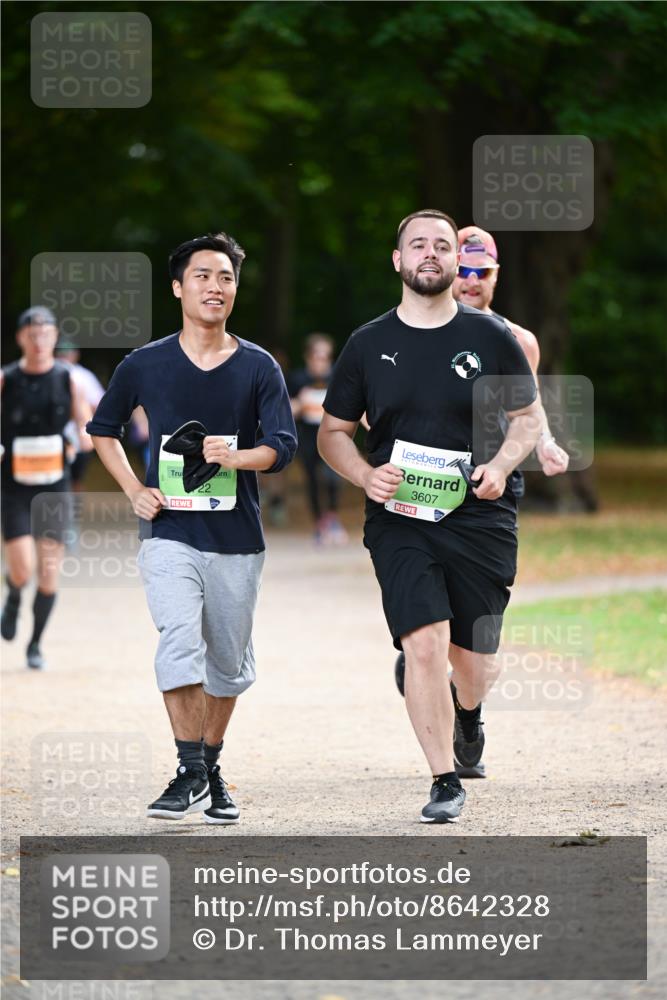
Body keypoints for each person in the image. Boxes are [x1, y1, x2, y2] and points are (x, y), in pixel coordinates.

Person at [318, 210, 541, 823]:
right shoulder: (367, 344)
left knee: (474, 661)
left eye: (442, 245)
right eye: (417, 244)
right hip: (400, 515)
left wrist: (499, 466)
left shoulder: (492, 337)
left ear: (455, 261)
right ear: (397, 259)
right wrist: (366, 475)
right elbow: (333, 432)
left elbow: (527, 419)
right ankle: (444, 779)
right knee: (424, 643)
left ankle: (467, 713)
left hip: (480, 514)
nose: (430, 253)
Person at [88, 232, 297, 825]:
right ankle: (189, 770)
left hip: (237, 538)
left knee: (226, 664)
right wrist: (134, 490)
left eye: (226, 277)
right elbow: (103, 429)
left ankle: (209, 766)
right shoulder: (145, 363)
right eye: (203, 276)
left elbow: (283, 446)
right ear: (179, 287)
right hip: (169, 533)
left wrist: (239, 459)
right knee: (179, 641)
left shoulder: (259, 366)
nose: (216, 286)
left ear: (235, 289)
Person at [393, 226, 571, 780]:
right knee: (427, 625)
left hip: (491, 489)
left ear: (496, 276)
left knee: (482, 643)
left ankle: (467, 710)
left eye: (481, 273)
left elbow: (528, 408)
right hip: (420, 487)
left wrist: (545, 444)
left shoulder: (517, 339)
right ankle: (426, 651)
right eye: (462, 270)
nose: (470, 282)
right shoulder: (406, 331)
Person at [1, 307, 92, 669]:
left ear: (55, 338)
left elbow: (84, 423)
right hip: (15, 485)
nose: (39, 340)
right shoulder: (7, 378)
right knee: (22, 567)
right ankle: (13, 596)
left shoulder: (68, 379)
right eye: (32, 333)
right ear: (22, 337)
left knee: (50, 568)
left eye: (46, 333)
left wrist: (80, 441)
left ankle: (35, 644)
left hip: (54, 485)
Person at [288, 334, 347, 544]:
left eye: (326, 356)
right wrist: (299, 403)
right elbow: (286, 409)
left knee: (333, 477)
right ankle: (319, 523)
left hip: (331, 436)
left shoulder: (337, 377)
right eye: (317, 356)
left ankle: (332, 517)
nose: (322, 361)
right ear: (308, 357)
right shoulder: (297, 379)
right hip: (307, 437)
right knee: (312, 479)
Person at [55, 345, 105, 491]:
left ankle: (72, 512)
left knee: (74, 480)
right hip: (60, 436)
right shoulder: (80, 375)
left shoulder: (83, 376)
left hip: (77, 436)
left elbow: (97, 405)